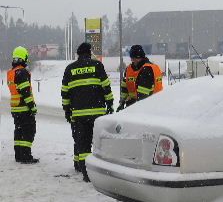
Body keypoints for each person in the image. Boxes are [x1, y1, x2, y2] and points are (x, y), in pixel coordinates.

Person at [61, 42, 114, 181]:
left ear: (78, 54)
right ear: (89, 53)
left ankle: (85, 173)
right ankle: (98, 172)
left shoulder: (70, 69)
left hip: (78, 115)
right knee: (97, 143)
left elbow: (65, 92)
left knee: (82, 143)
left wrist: (67, 110)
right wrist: (110, 103)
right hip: (97, 114)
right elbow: (106, 87)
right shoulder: (97, 66)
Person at [7, 46, 38, 164]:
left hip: (15, 108)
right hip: (24, 108)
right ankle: (26, 156)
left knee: (19, 131)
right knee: (29, 131)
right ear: (24, 57)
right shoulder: (22, 72)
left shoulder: (11, 72)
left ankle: (19, 155)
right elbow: (25, 92)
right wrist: (32, 106)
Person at [117, 44, 163, 110]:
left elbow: (143, 94)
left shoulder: (147, 69)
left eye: (136, 58)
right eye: (132, 58)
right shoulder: (129, 69)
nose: (133, 61)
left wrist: (136, 106)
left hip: (150, 106)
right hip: (134, 105)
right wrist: (122, 102)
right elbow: (125, 87)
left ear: (141, 57)